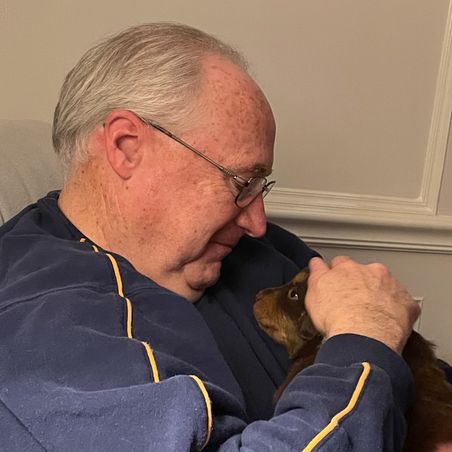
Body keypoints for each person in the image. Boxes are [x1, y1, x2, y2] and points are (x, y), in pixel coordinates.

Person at [0, 22, 421, 451]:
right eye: (241, 182)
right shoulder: (42, 325)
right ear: (127, 147)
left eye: (260, 187)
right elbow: (370, 343)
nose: (257, 223)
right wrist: (366, 339)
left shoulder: (251, 249)